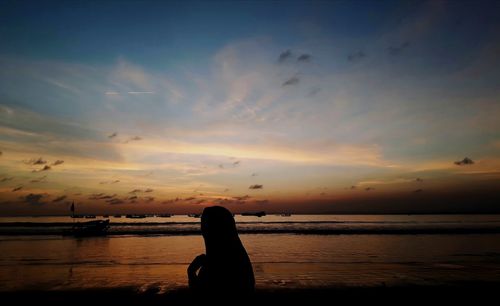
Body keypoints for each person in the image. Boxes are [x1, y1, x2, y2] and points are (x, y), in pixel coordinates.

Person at [188, 206, 255, 298]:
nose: (202, 230)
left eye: (205, 225)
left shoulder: (216, 263)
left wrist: (191, 272)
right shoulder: (239, 256)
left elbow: (201, 296)